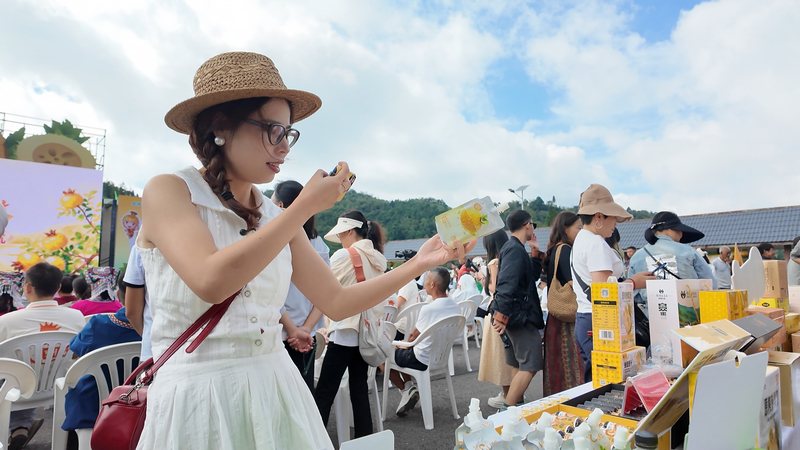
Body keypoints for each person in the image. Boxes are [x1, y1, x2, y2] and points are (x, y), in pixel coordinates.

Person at [134, 51, 472, 450]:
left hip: (277, 388)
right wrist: (304, 208)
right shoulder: (170, 190)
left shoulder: (275, 214)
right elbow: (210, 280)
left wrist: (421, 262)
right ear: (220, 126)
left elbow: (337, 301)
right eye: (273, 130)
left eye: (289, 134)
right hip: (198, 398)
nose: (284, 147)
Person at [314, 211, 388, 438]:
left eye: (340, 234)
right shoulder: (377, 259)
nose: (340, 239)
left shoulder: (343, 256)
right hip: (366, 333)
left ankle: (316, 441)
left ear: (348, 231)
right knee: (359, 392)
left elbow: (323, 289)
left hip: (344, 330)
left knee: (325, 392)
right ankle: (364, 442)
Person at [571, 184, 654, 383]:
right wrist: (634, 282)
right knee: (607, 382)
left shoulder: (583, 239)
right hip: (601, 322)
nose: (615, 223)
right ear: (599, 217)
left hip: (587, 318)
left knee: (597, 379)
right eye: (613, 217)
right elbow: (604, 294)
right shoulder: (595, 243)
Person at [0, 262, 86, 449]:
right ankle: (20, 427)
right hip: (55, 385)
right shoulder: (77, 317)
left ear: (28, 288)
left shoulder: (7, 322)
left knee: (15, 371)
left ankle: (19, 427)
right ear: (58, 287)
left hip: (14, 389)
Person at [62, 270, 142, 448]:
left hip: (94, 403)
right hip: (144, 401)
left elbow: (75, 353)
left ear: (119, 295)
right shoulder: (162, 330)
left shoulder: (98, 324)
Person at [271, 180, 328, 392]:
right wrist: (305, 328)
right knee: (304, 394)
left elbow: (270, 292)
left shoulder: (275, 241)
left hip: (278, 333)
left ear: (280, 206)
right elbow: (325, 294)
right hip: (306, 336)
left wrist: (292, 329)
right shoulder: (319, 244)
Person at [489, 210, 545, 410]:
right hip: (519, 315)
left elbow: (529, 277)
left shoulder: (513, 247)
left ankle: (515, 404)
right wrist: (501, 315)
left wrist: (535, 253)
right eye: (533, 225)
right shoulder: (514, 249)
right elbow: (507, 283)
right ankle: (508, 409)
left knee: (518, 364)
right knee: (531, 364)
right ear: (527, 225)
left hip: (514, 315)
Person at [388, 267, 459, 416]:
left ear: (432, 284)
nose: (424, 283)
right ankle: (409, 388)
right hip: (440, 357)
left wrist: (403, 345)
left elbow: (413, 336)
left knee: (383, 354)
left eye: (426, 280)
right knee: (399, 350)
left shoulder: (429, 309)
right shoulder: (454, 305)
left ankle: (406, 389)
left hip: (421, 359)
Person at [628, 211, 717, 309]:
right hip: (689, 313)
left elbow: (634, 294)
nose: (681, 234)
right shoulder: (689, 251)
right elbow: (710, 284)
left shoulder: (637, 257)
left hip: (653, 312)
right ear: (670, 229)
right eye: (679, 230)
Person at [541, 211, 584, 396]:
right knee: (572, 363)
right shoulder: (565, 249)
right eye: (578, 228)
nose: (581, 232)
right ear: (566, 229)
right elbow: (573, 283)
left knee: (559, 365)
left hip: (557, 315)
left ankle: (559, 399)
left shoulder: (555, 249)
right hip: (568, 316)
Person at [478, 229, 513, 409]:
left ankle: (508, 396)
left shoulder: (494, 262)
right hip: (508, 309)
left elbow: (495, 287)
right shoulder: (510, 258)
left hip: (497, 310)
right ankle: (514, 393)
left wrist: (483, 278)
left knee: (500, 356)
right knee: (509, 355)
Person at [124, 244, 153, 360]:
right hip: (203, 350)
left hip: (154, 351)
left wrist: (150, 336)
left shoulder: (142, 246)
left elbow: (132, 313)